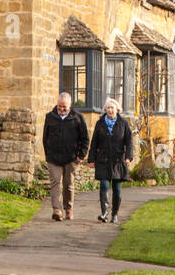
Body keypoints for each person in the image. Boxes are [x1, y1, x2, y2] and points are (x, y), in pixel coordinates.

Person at [42, 92, 87, 221]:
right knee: (55, 182)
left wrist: (81, 156)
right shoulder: (50, 117)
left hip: (71, 158)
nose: (61, 109)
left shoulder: (78, 118)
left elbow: (84, 138)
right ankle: (57, 210)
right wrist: (48, 154)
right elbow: (45, 137)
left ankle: (68, 208)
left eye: (64, 107)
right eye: (59, 106)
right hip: (53, 158)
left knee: (68, 184)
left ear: (70, 105)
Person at [87, 98, 133, 223]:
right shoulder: (100, 123)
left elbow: (129, 142)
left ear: (117, 109)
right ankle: (104, 213)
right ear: (105, 109)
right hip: (103, 159)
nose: (110, 110)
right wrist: (91, 159)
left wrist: (128, 157)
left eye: (112, 108)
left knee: (117, 189)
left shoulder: (123, 124)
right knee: (104, 185)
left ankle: (115, 214)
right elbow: (94, 142)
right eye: (108, 108)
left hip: (118, 161)